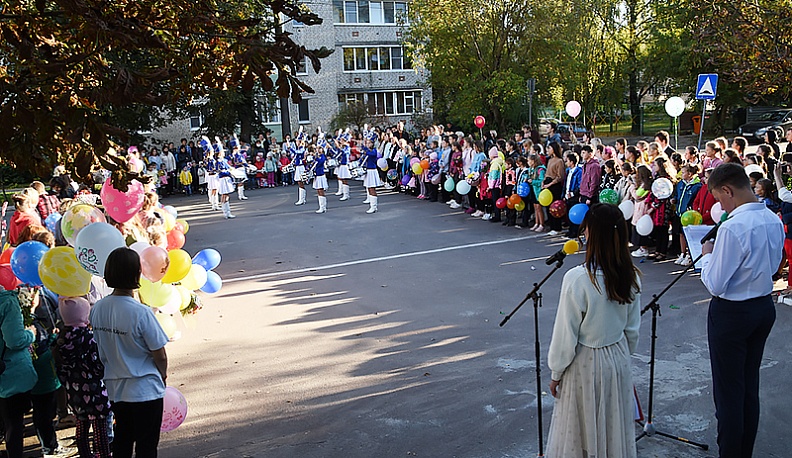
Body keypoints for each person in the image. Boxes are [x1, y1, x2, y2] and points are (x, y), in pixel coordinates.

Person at [701, 163, 783, 458]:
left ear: (728, 190)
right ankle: (743, 451)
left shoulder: (734, 226)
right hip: (762, 307)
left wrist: (707, 257)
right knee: (748, 385)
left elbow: (716, 284)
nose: (720, 205)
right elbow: (774, 267)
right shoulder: (771, 219)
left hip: (732, 313)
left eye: (719, 199)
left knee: (728, 392)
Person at [546, 203, 641, 458]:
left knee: (580, 434)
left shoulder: (578, 278)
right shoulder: (630, 275)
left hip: (586, 362)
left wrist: (556, 372)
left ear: (592, 233)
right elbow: (632, 329)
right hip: (618, 358)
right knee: (612, 429)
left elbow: (566, 334)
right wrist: (620, 356)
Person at [90, 247, 169, 458]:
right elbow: (159, 352)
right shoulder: (140, 312)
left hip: (116, 388)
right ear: (136, 274)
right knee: (146, 445)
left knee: (123, 438)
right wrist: (162, 373)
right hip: (145, 388)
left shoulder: (97, 309)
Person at [54, 296, 112, 458]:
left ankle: (85, 454)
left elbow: (60, 368)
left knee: (82, 424)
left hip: (74, 392)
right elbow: (98, 364)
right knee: (100, 425)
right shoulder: (89, 338)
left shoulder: (61, 340)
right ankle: (104, 454)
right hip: (94, 389)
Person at [0, 290, 38, 458]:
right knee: (13, 425)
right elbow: (14, 340)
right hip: (9, 374)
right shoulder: (7, 302)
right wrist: (31, 333)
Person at [312, 146, 329, 213]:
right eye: (317, 148)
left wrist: (316, 156)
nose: (318, 150)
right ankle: (321, 206)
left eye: (320, 148)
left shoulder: (322, 157)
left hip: (321, 175)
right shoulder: (316, 157)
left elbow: (319, 163)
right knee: (318, 191)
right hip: (317, 175)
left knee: (321, 190)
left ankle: (323, 207)